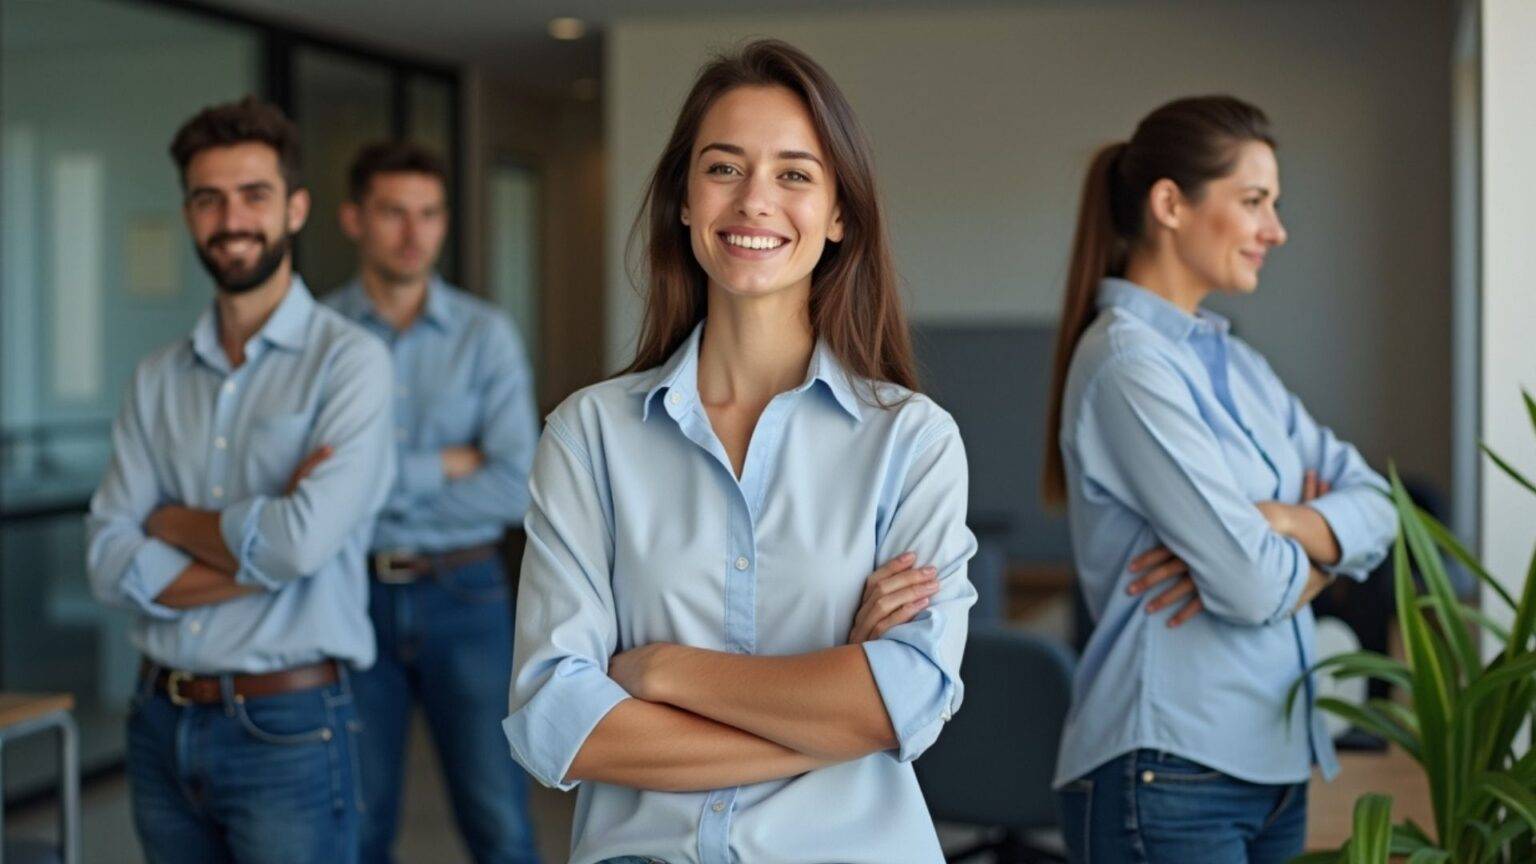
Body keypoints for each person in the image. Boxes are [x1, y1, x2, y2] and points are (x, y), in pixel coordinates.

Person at [502, 40, 977, 864]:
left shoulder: (911, 440)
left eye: (794, 174)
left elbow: (905, 702)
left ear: (839, 215)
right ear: (685, 202)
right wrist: (832, 707)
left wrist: (663, 671)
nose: (755, 200)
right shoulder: (589, 435)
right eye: (724, 168)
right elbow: (558, 724)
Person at [1043, 96, 1398, 863]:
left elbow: (1382, 504)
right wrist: (1324, 552)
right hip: (1170, 770)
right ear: (1171, 204)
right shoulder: (1128, 365)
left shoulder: (1242, 365)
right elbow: (1250, 585)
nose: (1277, 230)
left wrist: (1284, 521)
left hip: (1273, 768)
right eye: (1254, 201)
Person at [85, 96, 395, 864]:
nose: (231, 219)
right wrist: (271, 540)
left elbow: (300, 546)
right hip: (158, 720)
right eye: (208, 198)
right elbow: (106, 561)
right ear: (188, 214)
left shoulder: (351, 364)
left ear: (295, 208)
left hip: (288, 726)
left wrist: (168, 522)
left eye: (254, 195)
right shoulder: (156, 377)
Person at [323, 141, 541, 864]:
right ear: (354, 219)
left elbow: (513, 485)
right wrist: (442, 466)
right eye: (394, 213)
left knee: (499, 821)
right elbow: (307, 489)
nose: (414, 233)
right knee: (358, 825)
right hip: (349, 596)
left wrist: (366, 487)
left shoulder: (485, 335)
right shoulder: (318, 336)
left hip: (466, 593)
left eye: (429, 213)